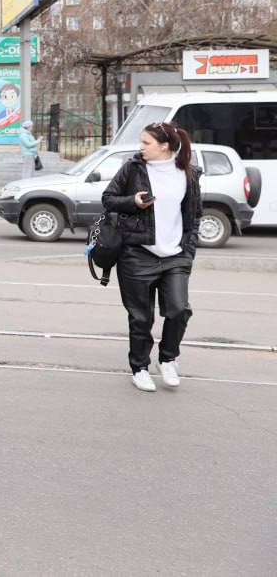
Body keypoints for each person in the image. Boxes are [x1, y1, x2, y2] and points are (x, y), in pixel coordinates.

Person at [102, 121, 202, 393]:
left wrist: (188, 251)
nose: (141, 147)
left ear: (165, 146)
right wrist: (132, 202)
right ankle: (140, 368)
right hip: (137, 253)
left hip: (175, 256)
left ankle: (168, 358)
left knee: (179, 309)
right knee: (141, 318)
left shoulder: (189, 174)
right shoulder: (133, 169)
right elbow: (108, 198)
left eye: (146, 143)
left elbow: (194, 217)